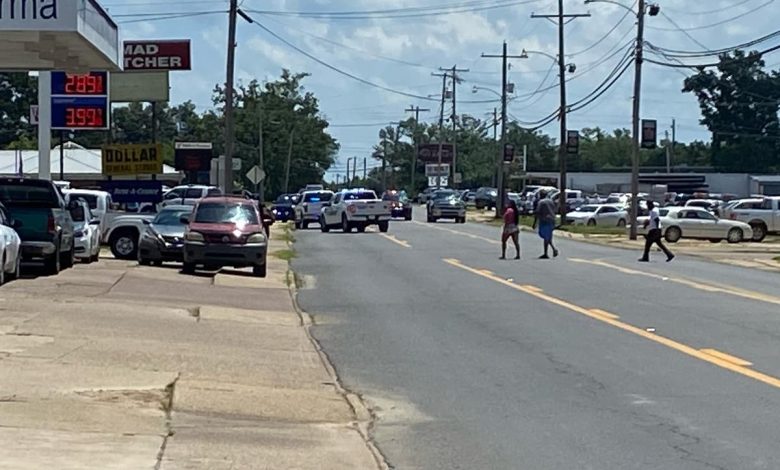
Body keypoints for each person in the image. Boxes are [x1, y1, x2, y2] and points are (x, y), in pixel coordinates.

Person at [533, 190, 559, 259]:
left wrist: (535, 223)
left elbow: (537, 212)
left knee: (545, 236)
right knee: (547, 237)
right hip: (552, 220)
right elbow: (555, 210)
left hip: (544, 221)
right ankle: (553, 250)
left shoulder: (541, 202)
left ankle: (546, 253)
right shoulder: (551, 201)